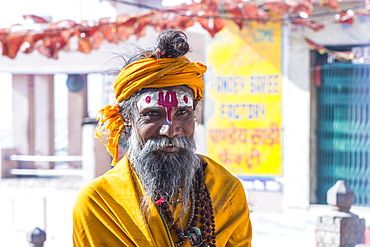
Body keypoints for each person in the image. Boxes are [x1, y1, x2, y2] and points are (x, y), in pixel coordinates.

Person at [72, 30, 252, 247]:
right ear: (127, 118)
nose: (170, 130)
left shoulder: (225, 190)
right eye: (152, 114)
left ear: (195, 114)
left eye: (182, 113)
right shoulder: (99, 203)